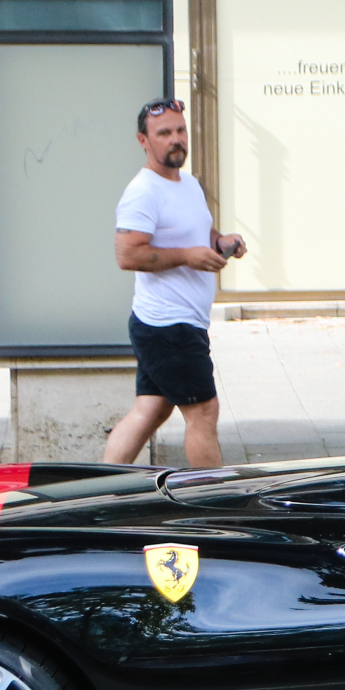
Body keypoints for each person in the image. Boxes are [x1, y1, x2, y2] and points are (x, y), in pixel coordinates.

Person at [103, 98, 245, 468]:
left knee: (149, 411)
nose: (175, 139)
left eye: (180, 130)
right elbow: (127, 255)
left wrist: (221, 243)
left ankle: (103, 486)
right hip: (169, 326)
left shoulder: (188, 184)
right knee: (204, 413)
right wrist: (187, 256)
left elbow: (199, 233)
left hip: (176, 324)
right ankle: (216, 503)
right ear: (143, 141)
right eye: (164, 133)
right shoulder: (143, 191)